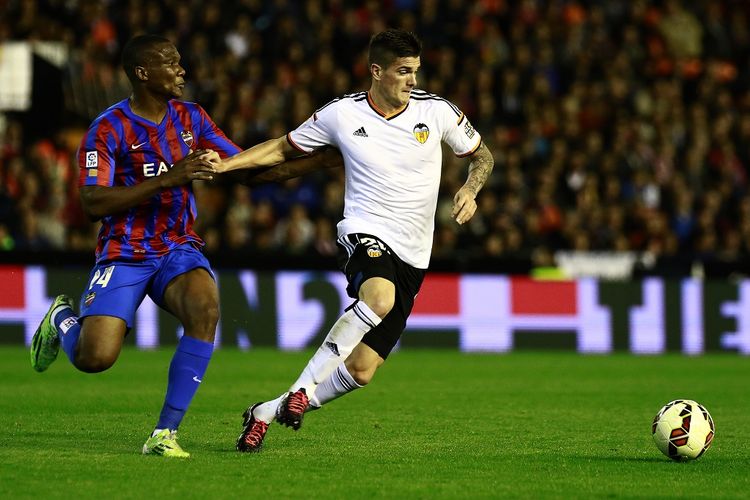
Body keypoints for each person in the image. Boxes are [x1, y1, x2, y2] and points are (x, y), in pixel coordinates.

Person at [29, 34, 342, 458]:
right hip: (125, 251)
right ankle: (62, 319)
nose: (182, 71)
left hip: (178, 246)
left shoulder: (192, 118)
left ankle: (164, 434)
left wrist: (318, 162)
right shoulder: (109, 127)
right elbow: (92, 202)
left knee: (206, 309)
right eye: (171, 63)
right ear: (143, 73)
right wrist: (169, 178)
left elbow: (242, 171)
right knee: (94, 358)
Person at [215, 28, 495, 452]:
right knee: (377, 297)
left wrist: (471, 189)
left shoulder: (436, 112)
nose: (413, 81)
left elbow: (483, 155)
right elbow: (282, 148)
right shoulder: (341, 114)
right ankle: (301, 390)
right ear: (376, 71)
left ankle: (265, 412)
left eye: (416, 71)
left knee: (362, 370)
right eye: (404, 72)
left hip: (415, 254)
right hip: (365, 230)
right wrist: (225, 167)